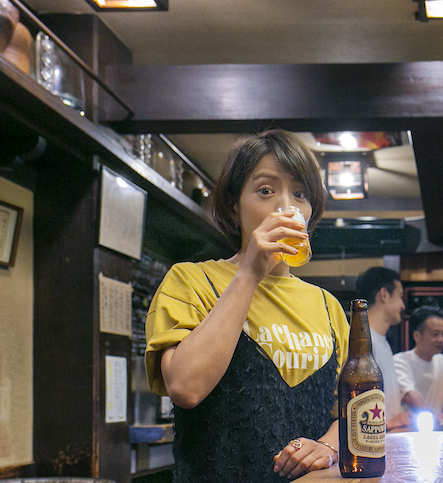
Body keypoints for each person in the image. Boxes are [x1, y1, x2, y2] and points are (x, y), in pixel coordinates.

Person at [144, 129, 349, 482]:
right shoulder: (191, 281)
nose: (286, 206)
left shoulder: (329, 307)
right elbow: (185, 388)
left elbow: (351, 413)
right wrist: (250, 273)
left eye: (300, 194)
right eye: (266, 190)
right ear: (234, 205)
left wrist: (328, 447)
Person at [355, 266, 413, 432]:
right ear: (384, 295)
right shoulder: (363, 343)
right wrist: (390, 423)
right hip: (372, 444)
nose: (403, 306)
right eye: (400, 296)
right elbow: (356, 406)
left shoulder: (382, 342)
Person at [393, 305, 443, 422]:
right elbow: (410, 396)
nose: (441, 339)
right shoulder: (400, 361)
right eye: (435, 334)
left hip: (435, 430)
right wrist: (434, 420)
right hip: (407, 431)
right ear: (417, 335)